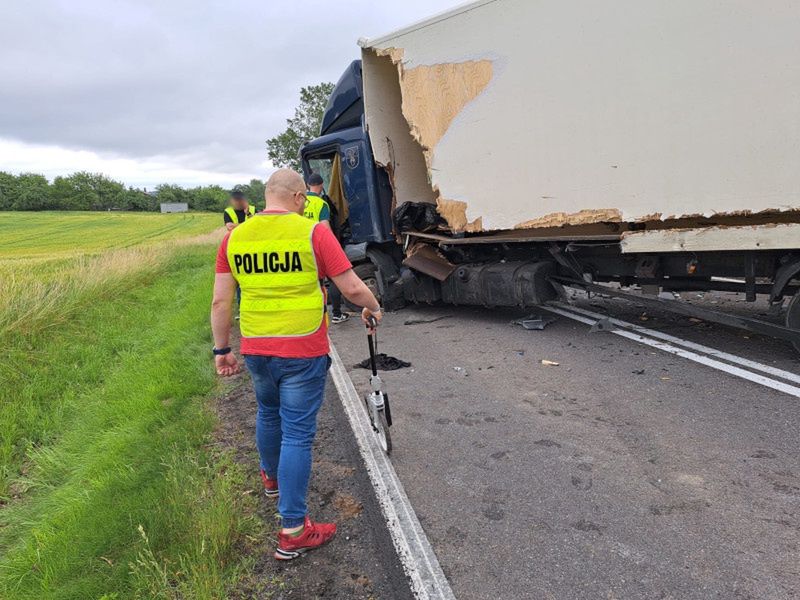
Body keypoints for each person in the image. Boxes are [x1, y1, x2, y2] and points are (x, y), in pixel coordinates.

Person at [211, 168, 382, 561]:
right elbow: (351, 287)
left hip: (256, 348)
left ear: (266, 195)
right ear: (299, 197)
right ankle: (292, 529)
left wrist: (223, 351)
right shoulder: (313, 232)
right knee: (298, 435)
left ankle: (271, 479)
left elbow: (221, 302)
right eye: (304, 198)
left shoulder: (235, 237)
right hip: (302, 349)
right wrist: (374, 307)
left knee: (268, 414)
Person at [304, 173, 349, 324]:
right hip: (318, 248)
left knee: (313, 283)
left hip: (302, 249)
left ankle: (313, 315)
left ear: (307, 185)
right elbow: (326, 229)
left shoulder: (299, 203)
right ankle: (336, 314)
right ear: (322, 185)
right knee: (333, 279)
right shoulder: (321, 204)